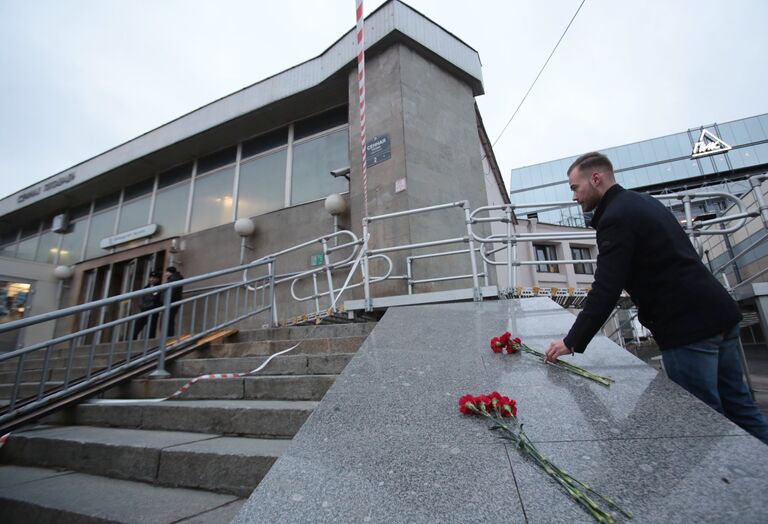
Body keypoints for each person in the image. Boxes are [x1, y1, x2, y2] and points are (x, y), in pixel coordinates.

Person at [545, 151, 768, 445]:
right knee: (740, 407)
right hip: (719, 314)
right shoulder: (644, 202)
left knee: (702, 422)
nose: (574, 197)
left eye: (575, 187)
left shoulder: (614, 218)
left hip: (688, 329)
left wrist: (571, 341)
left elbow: (606, 288)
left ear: (596, 178)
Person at [133, 270, 162, 339]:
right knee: (138, 324)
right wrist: (141, 305)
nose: (152, 279)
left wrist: (156, 306)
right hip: (144, 309)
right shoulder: (146, 288)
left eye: (154, 278)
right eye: (151, 277)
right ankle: (132, 338)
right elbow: (142, 298)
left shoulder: (160, 287)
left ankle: (150, 339)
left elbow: (160, 299)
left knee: (152, 326)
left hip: (153, 309)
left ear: (158, 279)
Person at [165, 266, 184, 336]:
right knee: (168, 320)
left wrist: (164, 300)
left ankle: (168, 336)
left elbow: (170, 293)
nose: (165, 274)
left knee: (168, 321)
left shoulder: (173, 279)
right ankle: (167, 336)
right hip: (172, 302)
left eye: (167, 272)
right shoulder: (175, 278)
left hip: (171, 302)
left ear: (170, 272)